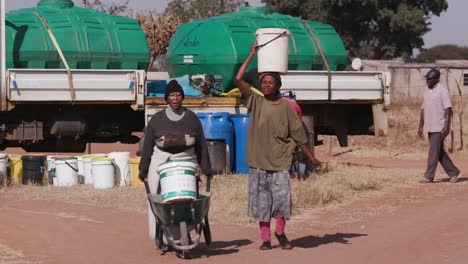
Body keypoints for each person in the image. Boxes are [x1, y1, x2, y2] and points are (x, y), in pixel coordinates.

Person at [234, 42, 321, 250]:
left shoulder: (286, 107)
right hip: (258, 162)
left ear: (277, 86)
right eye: (264, 81)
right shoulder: (255, 101)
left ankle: (280, 233)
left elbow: (299, 136)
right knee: (262, 204)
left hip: (281, 162)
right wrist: (251, 54)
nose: (266, 84)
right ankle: (265, 239)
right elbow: (238, 79)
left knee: (282, 202)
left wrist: (311, 158)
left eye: (270, 82)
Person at [138, 79, 212, 240]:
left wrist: (206, 168)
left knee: (188, 198)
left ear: (182, 97)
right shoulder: (157, 120)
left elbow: (201, 145)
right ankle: (162, 235)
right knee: (158, 198)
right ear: (167, 98)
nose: (176, 98)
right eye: (172, 95)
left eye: (179, 94)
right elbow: (148, 148)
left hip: (187, 159)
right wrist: (143, 170)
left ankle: (186, 230)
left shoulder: (192, 118)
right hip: (161, 161)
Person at [418, 68, 461, 183]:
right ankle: (454, 172)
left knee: (433, 150)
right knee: (438, 151)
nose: (428, 81)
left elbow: (448, 109)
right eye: (427, 79)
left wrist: (447, 126)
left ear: (437, 79)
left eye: (430, 79)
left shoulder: (443, 90)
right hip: (429, 126)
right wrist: (421, 126)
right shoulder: (426, 90)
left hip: (439, 126)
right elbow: (423, 109)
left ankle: (428, 176)